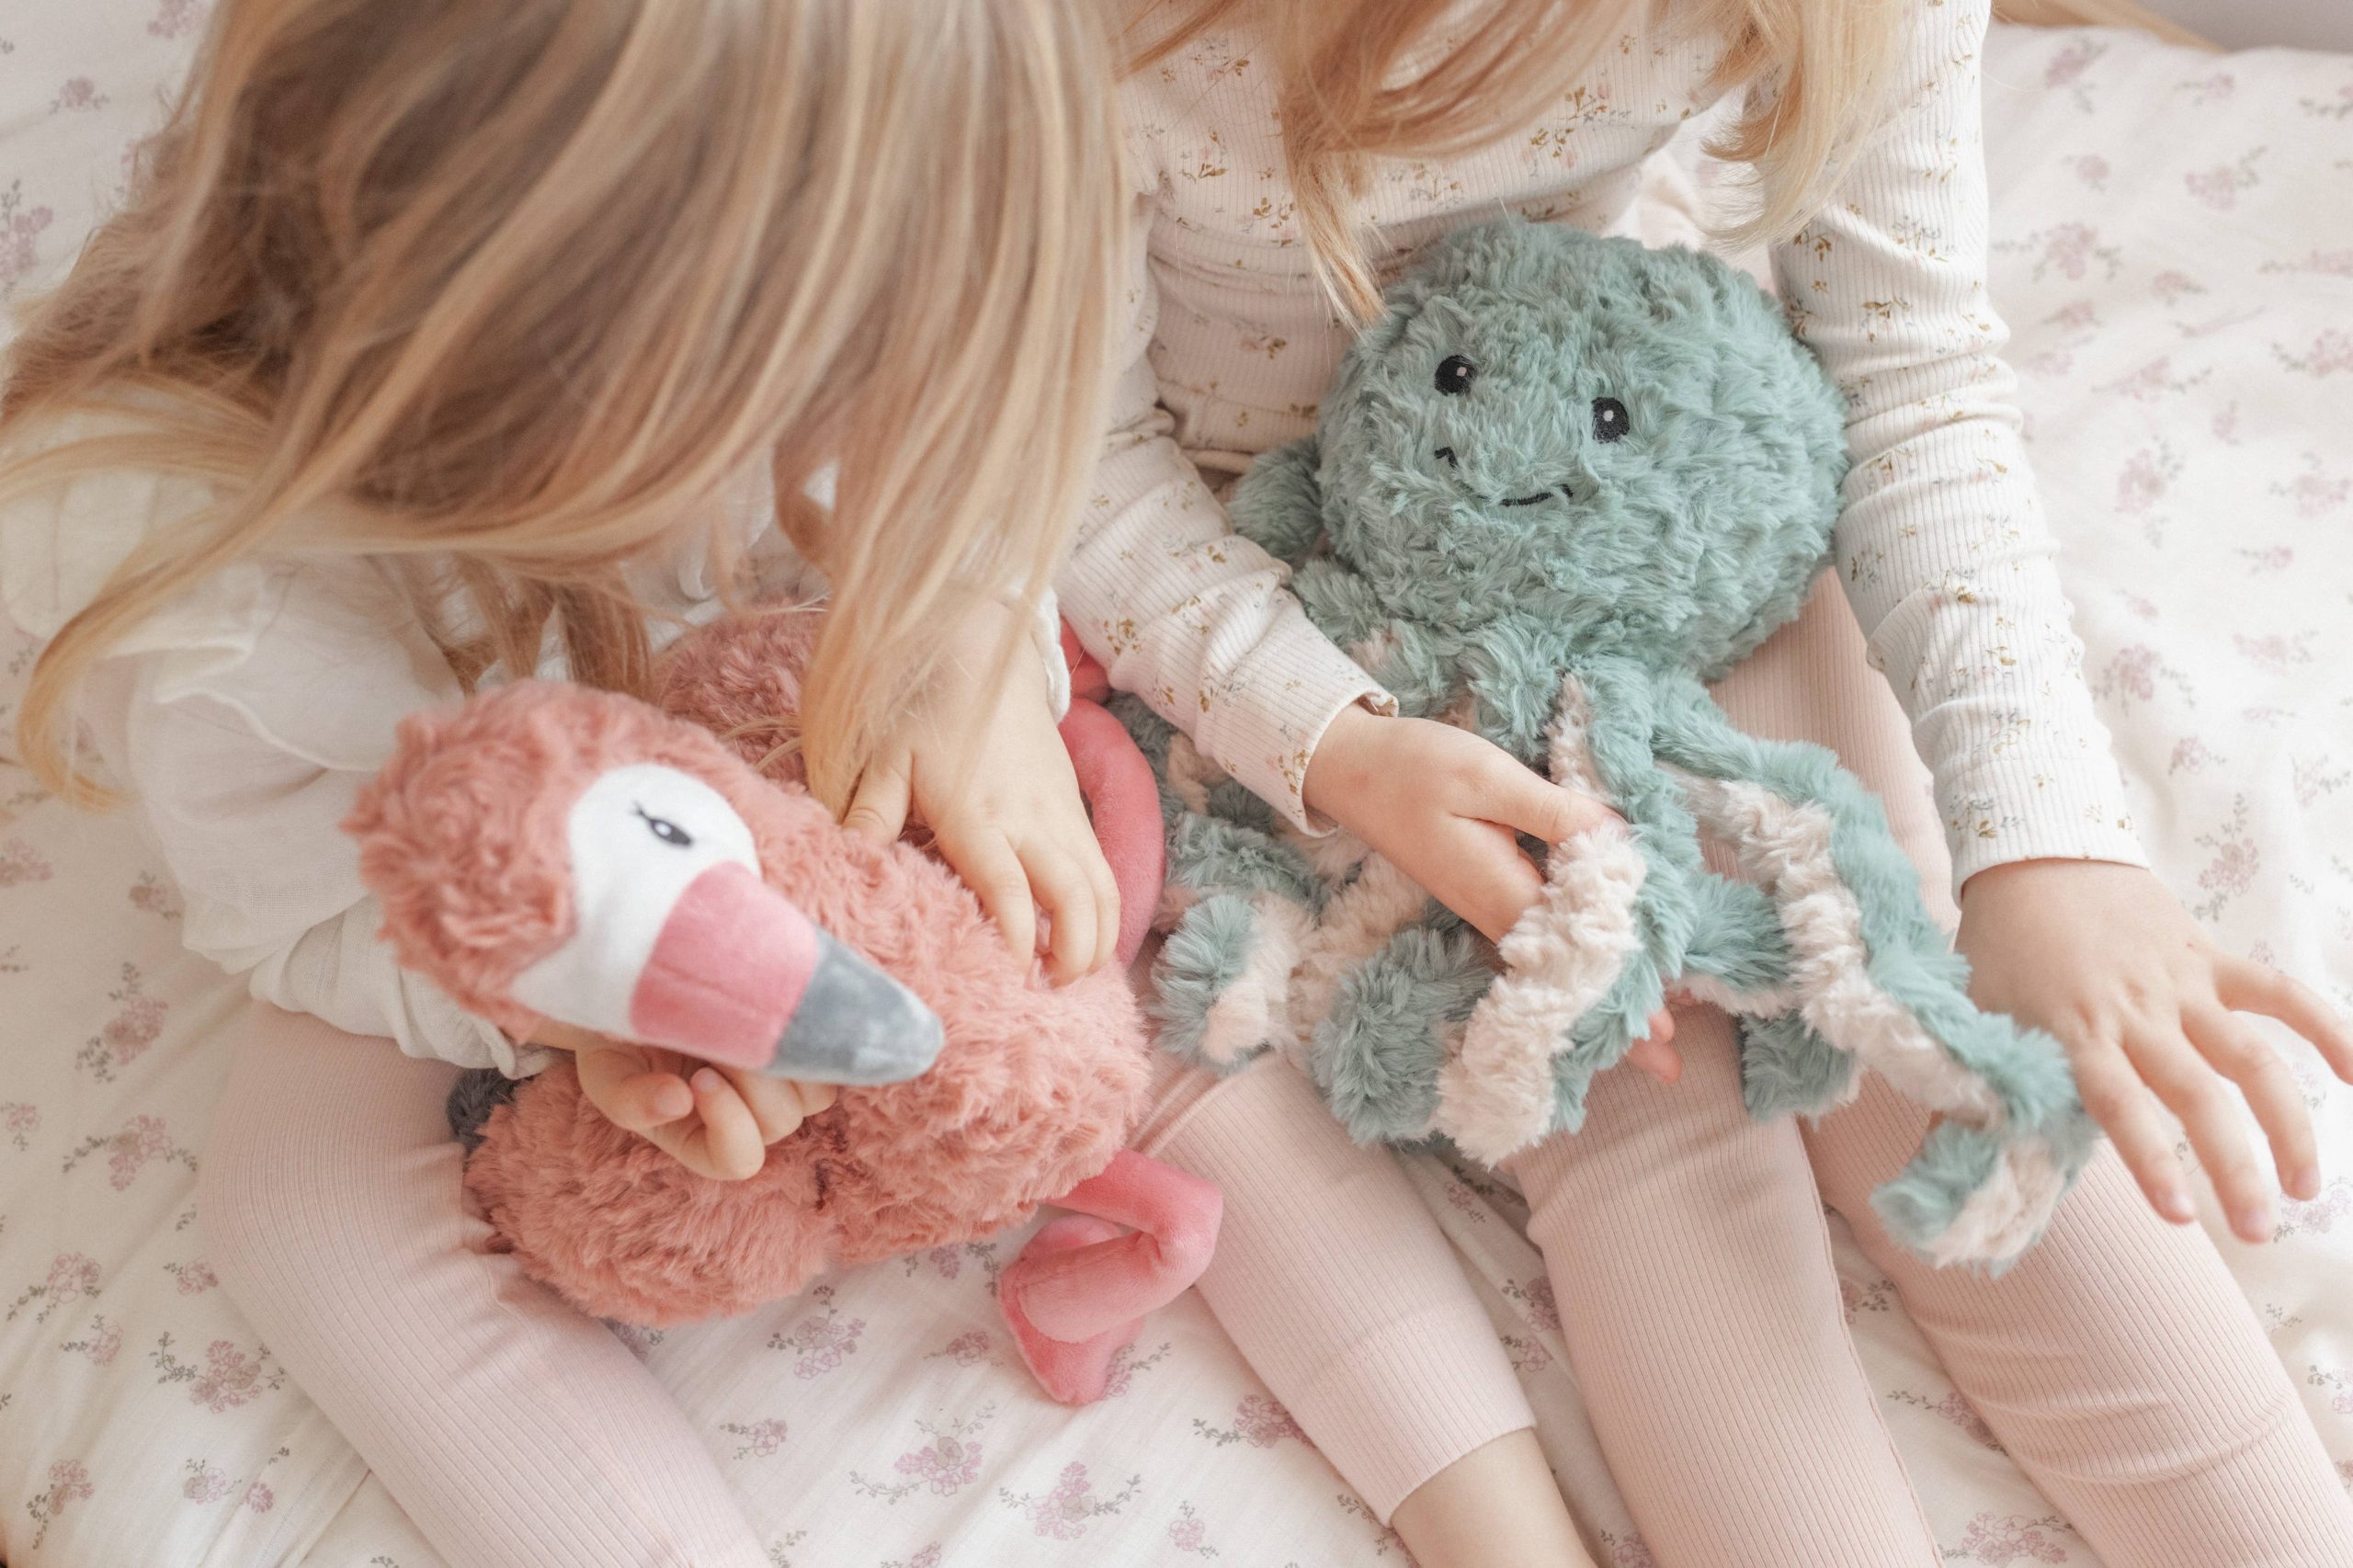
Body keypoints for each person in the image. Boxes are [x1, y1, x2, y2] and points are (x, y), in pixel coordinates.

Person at [1071, 1, 2353, 1562]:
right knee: (1638, 1100)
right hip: (1305, 585)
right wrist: (1329, 738)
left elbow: (1910, 369)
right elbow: (1062, 460)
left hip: (1646, 464)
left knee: (1908, 1002)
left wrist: (2049, 847)